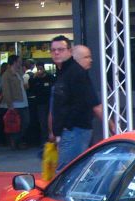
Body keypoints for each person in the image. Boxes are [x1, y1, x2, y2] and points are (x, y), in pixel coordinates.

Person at [48, 35, 108, 171]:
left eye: (60, 49)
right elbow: (57, 106)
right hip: (70, 131)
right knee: (75, 171)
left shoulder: (75, 73)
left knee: (67, 173)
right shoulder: (63, 73)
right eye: (53, 50)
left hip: (74, 130)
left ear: (70, 51)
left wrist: (65, 127)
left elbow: (92, 104)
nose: (56, 53)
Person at [0, 55, 30, 149]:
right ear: (15, 62)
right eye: (19, 61)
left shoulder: (19, 72)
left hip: (23, 101)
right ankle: (15, 142)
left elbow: (22, 86)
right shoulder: (6, 75)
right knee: (16, 124)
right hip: (15, 103)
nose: (21, 62)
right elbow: (6, 90)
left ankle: (16, 141)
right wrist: (10, 105)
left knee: (25, 123)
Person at [27, 63, 54, 147]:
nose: (39, 71)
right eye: (38, 69)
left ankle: (52, 139)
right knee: (43, 122)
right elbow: (30, 89)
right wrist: (34, 78)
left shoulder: (50, 77)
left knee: (51, 121)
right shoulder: (34, 79)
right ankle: (44, 139)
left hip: (50, 102)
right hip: (40, 103)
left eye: (41, 69)